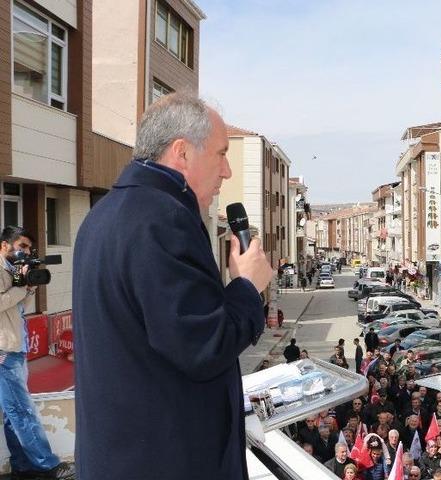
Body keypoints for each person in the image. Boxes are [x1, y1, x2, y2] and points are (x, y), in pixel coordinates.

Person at [72, 93, 274, 479]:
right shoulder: (163, 219)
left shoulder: (105, 214)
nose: (227, 171)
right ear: (182, 153)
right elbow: (204, 346)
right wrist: (248, 286)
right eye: (220, 154)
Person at [0, 226, 74, 479]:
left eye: (29, 248)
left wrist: (27, 286)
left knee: (13, 414)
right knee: (22, 410)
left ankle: (22, 465)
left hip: (15, 347)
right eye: (22, 247)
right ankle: (47, 466)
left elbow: (18, 306)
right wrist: (21, 287)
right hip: (3, 351)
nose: (26, 252)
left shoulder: (10, 271)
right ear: (4, 245)